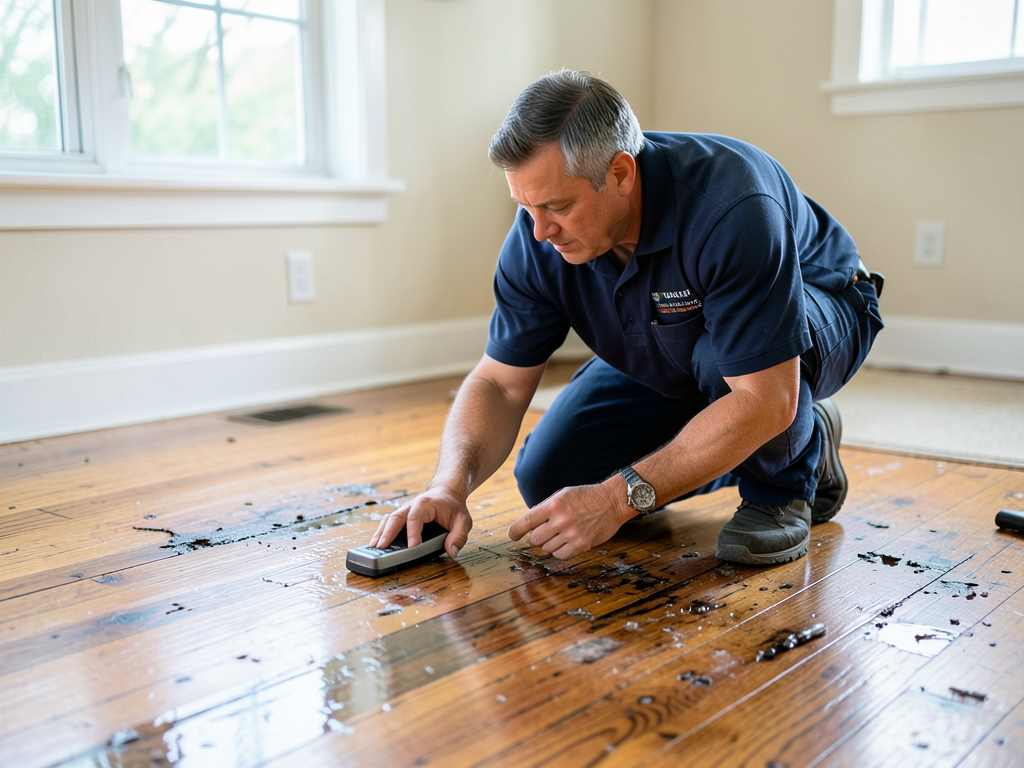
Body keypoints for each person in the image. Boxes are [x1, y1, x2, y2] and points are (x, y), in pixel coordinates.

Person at [370, 69, 883, 566]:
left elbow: (762, 397)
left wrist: (620, 498)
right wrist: (449, 485)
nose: (539, 233)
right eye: (525, 208)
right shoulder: (537, 241)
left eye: (556, 207)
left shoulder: (731, 203)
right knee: (554, 480)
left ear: (620, 173)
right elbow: (500, 384)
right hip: (673, 340)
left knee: (727, 369)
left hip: (823, 305)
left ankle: (784, 479)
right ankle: (769, 430)